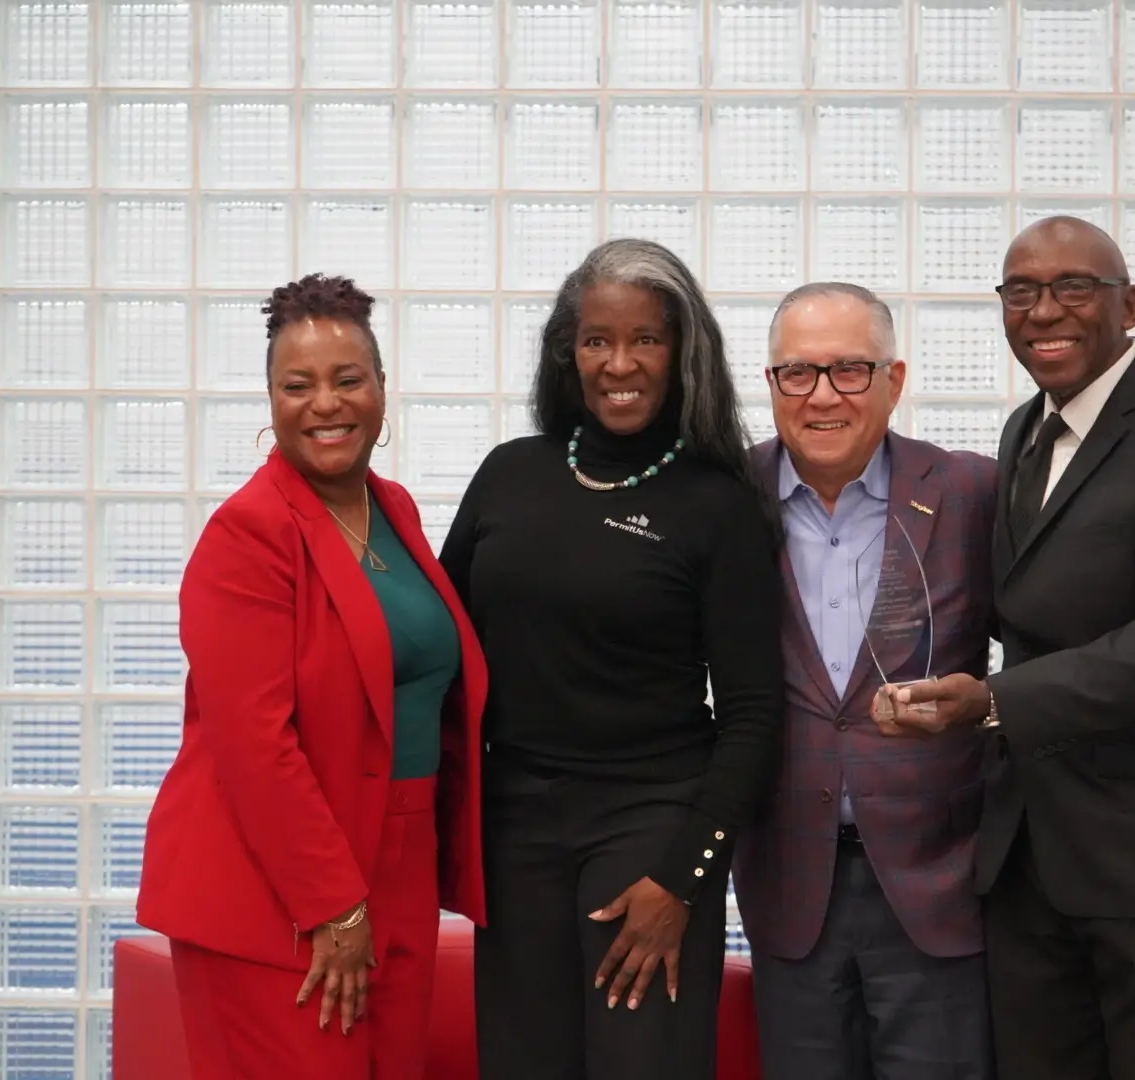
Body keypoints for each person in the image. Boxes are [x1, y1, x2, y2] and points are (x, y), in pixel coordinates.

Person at [886, 217, 1135, 1080]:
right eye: (1021, 291)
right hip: (1035, 858)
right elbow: (1034, 607)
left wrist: (993, 702)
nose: (1044, 311)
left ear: (1129, 305)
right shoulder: (1024, 432)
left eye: (1074, 288)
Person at [439, 238, 784, 1080]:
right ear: (570, 353)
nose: (618, 363)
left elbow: (752, 713)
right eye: (597, 340)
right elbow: (437, 644)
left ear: (682, 351)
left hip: (650, 827)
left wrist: (684, 879)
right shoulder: (508, 474)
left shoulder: (718, 501)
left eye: (645, 340)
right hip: (514, 825)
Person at [137, 274, 488, 1078]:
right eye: (298, 385)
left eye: (347, 379)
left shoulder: (392, 507)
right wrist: (334, 904)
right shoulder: (247, 537)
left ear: (382, 389)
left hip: (399, 861)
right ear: (270, 401)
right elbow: (254, 745)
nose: (325, 403)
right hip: (277, 890)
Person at [732, 283, 997, 1080]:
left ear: (895, 378)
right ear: (772, 382)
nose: (822, 397)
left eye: (850, 371)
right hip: (789, 884)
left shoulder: (970, 493)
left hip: (939, 884)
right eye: (798, 374)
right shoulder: (725, 499)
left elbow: (1061, 640)